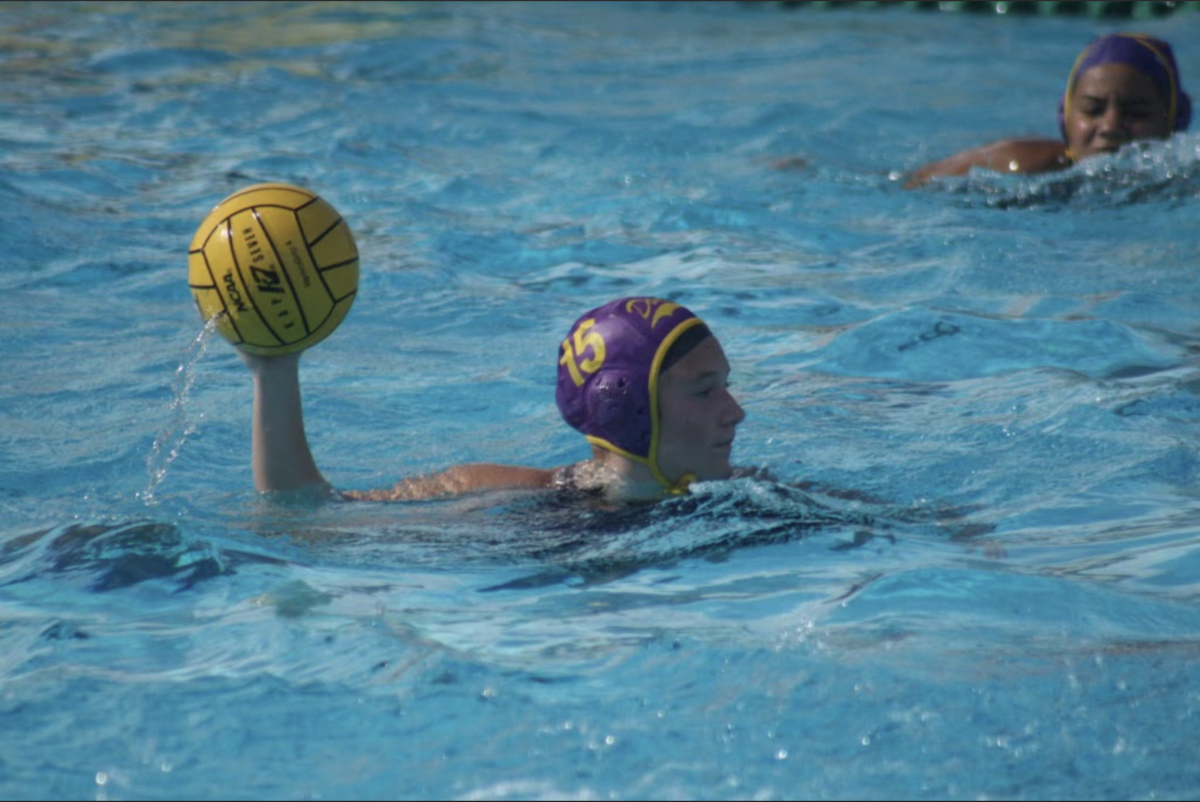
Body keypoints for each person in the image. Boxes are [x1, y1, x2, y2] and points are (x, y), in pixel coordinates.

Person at [241, 296, 746, 504]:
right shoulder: (500, 497)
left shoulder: (760, 502)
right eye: (706, 391)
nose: (735, 411)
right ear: (626, 409)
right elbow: (306, 515)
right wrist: (274, 370)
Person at [904, 32, 1191, 188]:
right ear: (1064, 116)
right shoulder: (1021, 167)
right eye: (1092, 110)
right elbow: (912, 186)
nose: (1110, 127)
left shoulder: (1186, 176)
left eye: (1135, 113)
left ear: (1176, 118)